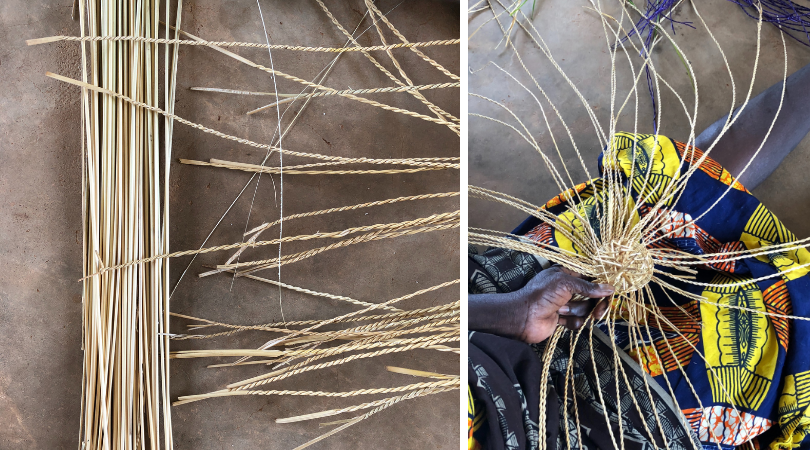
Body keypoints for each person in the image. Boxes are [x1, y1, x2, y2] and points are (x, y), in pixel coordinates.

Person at [468, 61, 810, 450]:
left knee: (656, 198)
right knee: (761, 345)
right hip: (621, 428)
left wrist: (512, 310)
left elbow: (423, 321)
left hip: (505, 308)